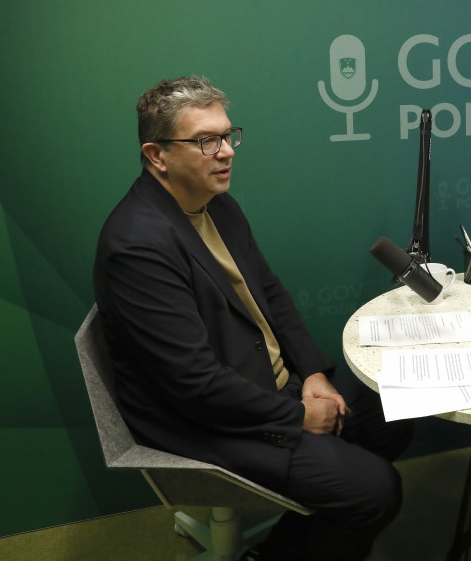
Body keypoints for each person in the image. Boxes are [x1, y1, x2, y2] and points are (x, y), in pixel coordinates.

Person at [93, 76, 412, 561]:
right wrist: (299, 415)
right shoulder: (137, 245)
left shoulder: (217, 205)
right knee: (376, 491)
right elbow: (194, 384)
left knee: (394, 415)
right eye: (206, 141)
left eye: (227, 135)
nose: (226, 152)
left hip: (267, 385)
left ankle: (314, 523)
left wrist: (315, 375)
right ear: (157, 155)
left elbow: (269, 293)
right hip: (203, 421)